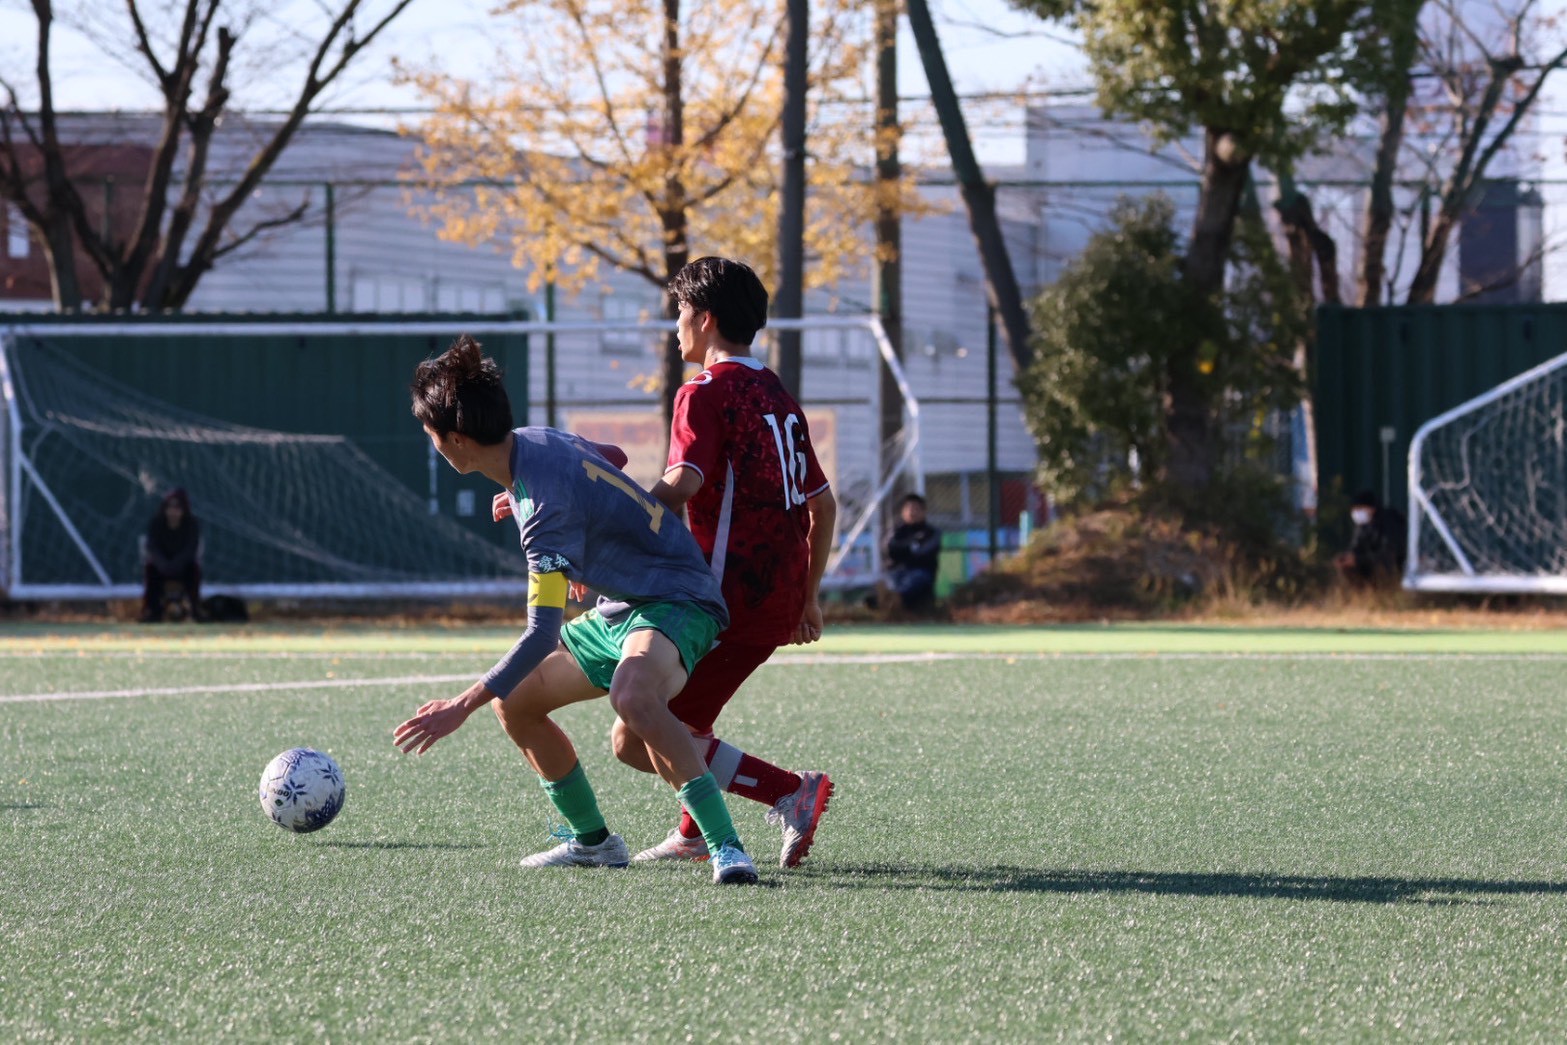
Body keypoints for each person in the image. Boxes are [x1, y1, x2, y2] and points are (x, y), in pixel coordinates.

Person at [391, 334, 760, 886]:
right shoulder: (535, 441)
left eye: (431, 434)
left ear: (458, 440)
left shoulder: (543, 513)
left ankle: (725, 847)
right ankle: (593, 843)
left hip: (679, 599)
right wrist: (554, 515)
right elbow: (612, 459)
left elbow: (541, 634)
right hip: (624, 607)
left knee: (632, 695)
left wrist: (459, 706)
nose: (432, 443)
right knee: (515, 701)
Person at [603, 257, 839, 870]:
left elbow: (682, 482)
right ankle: (691, 831)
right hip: (773, 596)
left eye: (680, 313)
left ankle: (790, 791)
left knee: (635, 735)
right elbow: (823, 504)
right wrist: (808, 597)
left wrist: (612, 520)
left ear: (705, 319)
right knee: (685, 721)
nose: (676, 327)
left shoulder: (703, 392)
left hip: (720, 602)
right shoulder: (778, 394)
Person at [140, 487, 202, 623]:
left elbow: (191, 549)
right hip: (161, 567)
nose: (173, 512)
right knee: (150, 569)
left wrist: (176, 564)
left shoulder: (191, 524)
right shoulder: (156, 523)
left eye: (177, 508)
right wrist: (163, 564)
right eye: (170, 507)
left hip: (183, 568)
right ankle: (152, 611)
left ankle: (195, 610)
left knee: (194, 570)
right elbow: (152, 547)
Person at [1334, 489, 1407, 585]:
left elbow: (1389, 554)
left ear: (1372, 508)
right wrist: (1348, 556)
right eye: (1354, 509)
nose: (1356, 513)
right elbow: (1356, 546)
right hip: (1371, 563)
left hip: (1396, 566)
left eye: (1359, 508)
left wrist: (1358, 560)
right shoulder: (1363, 525)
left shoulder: (1390, 521)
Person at [884, 492, 941, 613]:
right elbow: (889, 550)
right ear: (902, 512)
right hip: (896, 571)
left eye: (916, 509)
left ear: (924, 512)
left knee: (915, 579)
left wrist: (903, 551)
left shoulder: (931, 532)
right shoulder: (896, 531)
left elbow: (923, 553)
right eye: (908, 508)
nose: (912, 512)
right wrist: (911, 547)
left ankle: (896, 599)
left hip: (921, 572)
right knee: (887, 581)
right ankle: (882, 602)